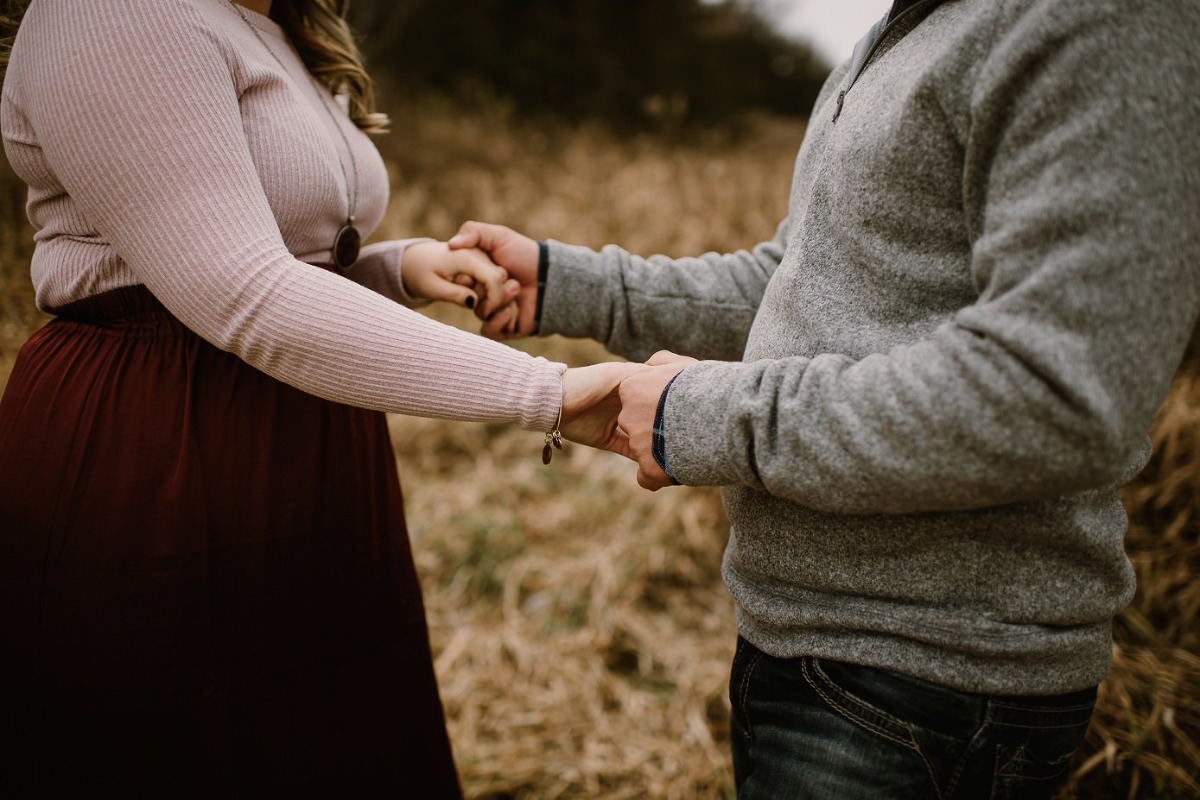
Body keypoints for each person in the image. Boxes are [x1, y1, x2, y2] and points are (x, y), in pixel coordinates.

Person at [449, 0, 1200, 796]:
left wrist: (698, 414)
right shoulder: (904, 30)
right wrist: (577, 286)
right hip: (808, 649)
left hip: (928, 683)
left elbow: (1053, 395)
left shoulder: (1107, 19)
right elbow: (805, 289)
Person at [0, 0, 639, 796]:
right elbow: (239, 292)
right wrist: (548, 390)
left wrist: (397, 268)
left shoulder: (277, 23)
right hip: (159, 443)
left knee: (331, 737)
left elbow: (268, 260)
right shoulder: (116, 15)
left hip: (311, 430)